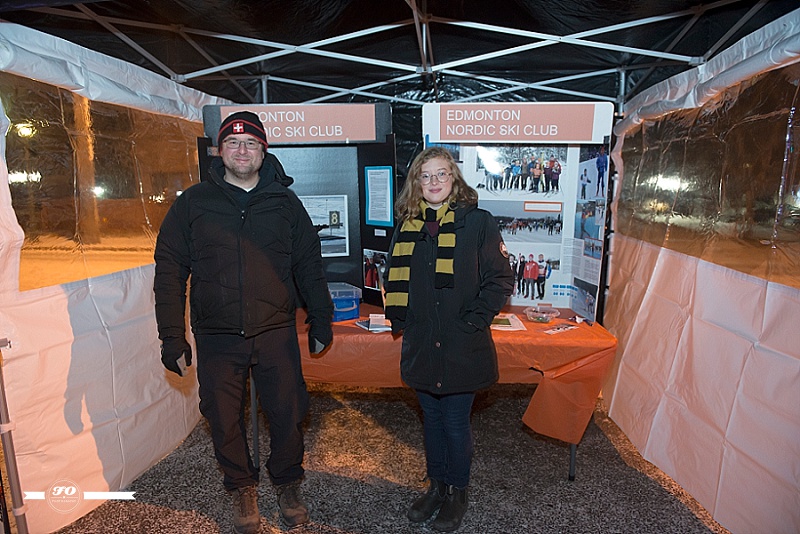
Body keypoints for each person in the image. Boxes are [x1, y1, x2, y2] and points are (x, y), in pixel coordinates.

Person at [153, 111, 333, 534]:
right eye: (233, 143)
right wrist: (172, 336)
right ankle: (241, 486)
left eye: (251, 143)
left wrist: (321, 317)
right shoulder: (193, 204)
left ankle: (287, 482)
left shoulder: (285, 204)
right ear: (219, 151)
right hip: (217, 333)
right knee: (221, 415)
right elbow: (169, 271)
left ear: (263, 151)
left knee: (288, 412)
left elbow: (309, 265)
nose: (242, 150)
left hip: (274, 330)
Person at [383, 147, 513, 532]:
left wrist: (475, 320)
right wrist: (405, 319)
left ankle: (458, 492)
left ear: (453, 179)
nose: (434, 182)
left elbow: (500, 278)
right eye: (426, 176)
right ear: (416, 183)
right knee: (432, 422)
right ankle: (437, 486)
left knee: (455, 422)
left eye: (441, 174)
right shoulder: (407, 226)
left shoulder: (478, 222)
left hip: (462, 345)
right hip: (423, 344)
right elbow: (393, 278)